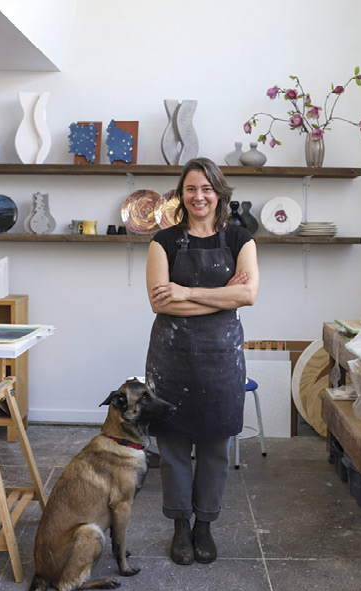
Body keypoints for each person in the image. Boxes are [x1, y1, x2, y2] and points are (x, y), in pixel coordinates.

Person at [145, 157, 259, 565]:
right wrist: (218, 298)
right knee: (173, 446)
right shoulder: (163, 241)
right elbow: (159, 303)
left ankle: (205, 526)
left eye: (207, 188)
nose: (199, 196)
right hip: (171, 357)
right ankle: (179, 526)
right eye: (191, 189)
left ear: (219, 193)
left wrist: (186, 293)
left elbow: (246, 296)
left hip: (222, 358)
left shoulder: (239, 239)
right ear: (182, 194)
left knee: (215, 445)